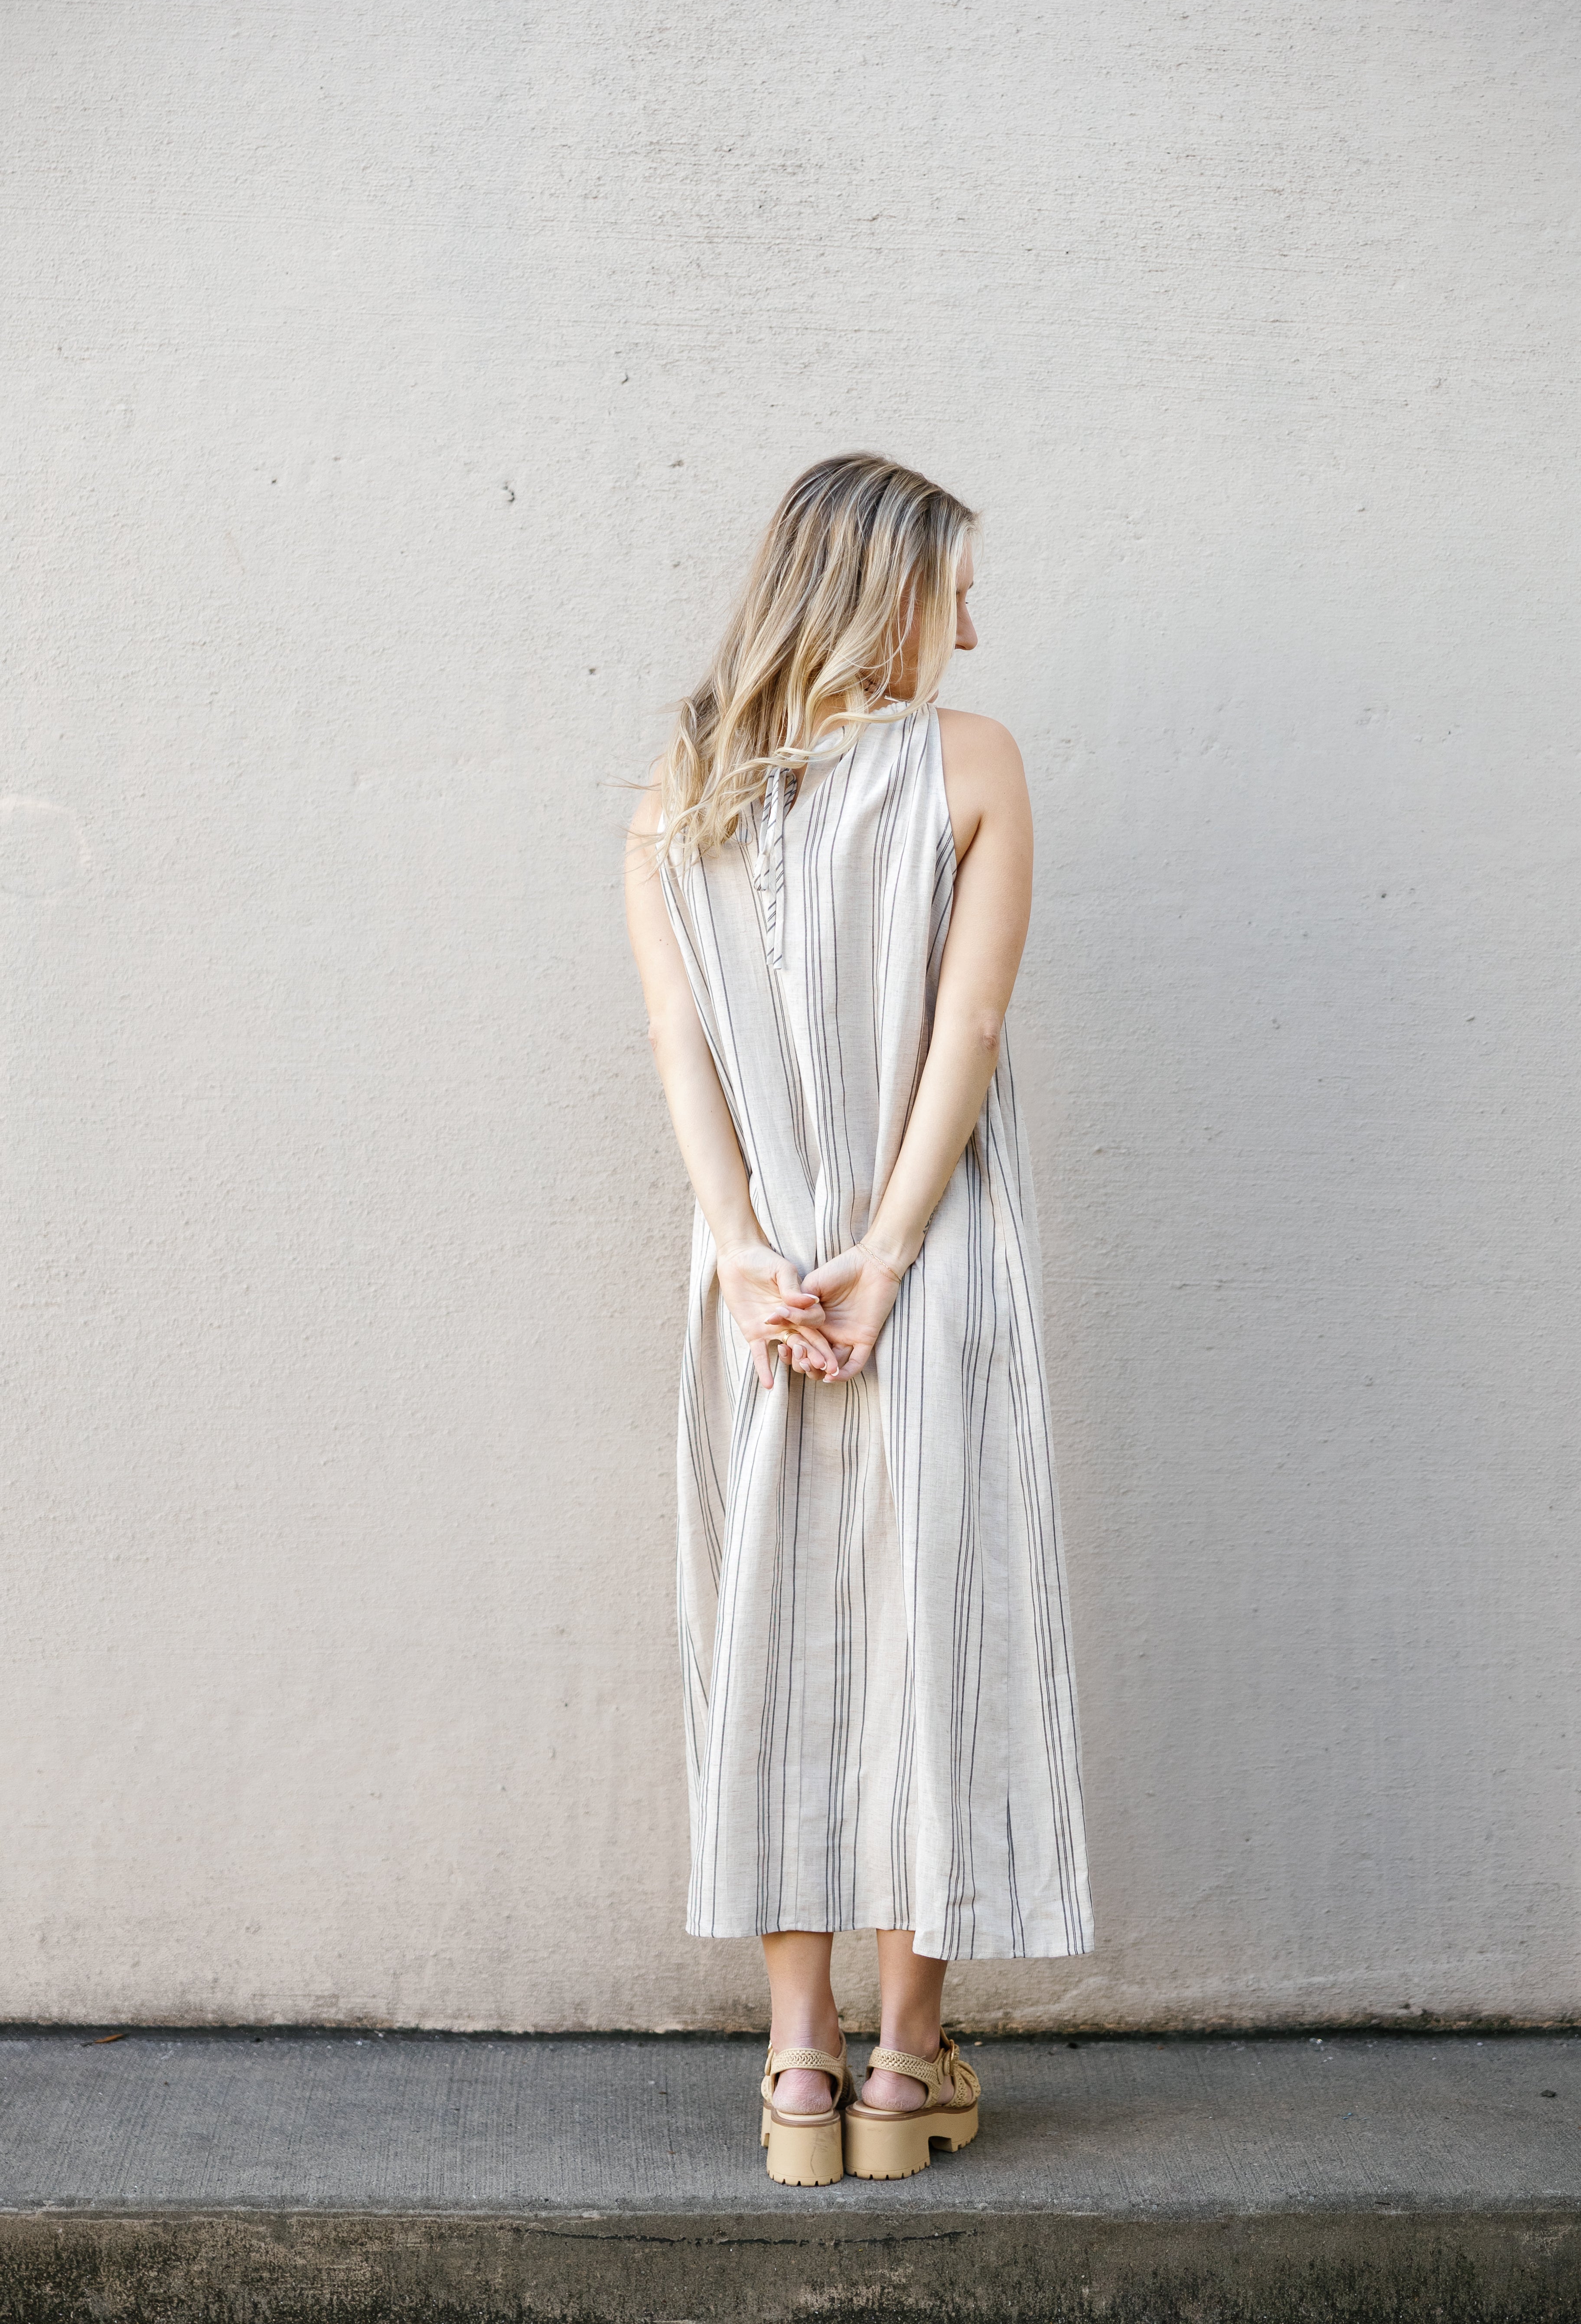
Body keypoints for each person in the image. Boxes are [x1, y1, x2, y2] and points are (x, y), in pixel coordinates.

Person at [624, 453, 1093, 2187]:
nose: (969, 631)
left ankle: (798, 2070)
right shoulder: (972, 764)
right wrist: (886, 1257)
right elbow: (967, 1034)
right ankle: (906, 2069)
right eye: (953, 594)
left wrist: (751, 1250)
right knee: (930, 1643)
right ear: (882, 591)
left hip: (762, 1290)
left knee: (772, 1641)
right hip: (924, 1264)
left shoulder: (682, 785)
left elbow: (679, 1045)